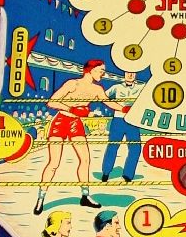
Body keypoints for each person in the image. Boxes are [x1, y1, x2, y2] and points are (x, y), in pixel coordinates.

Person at [33, 60, 124, 214]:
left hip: (75, 124)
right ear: (91, 70)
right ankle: (41, 198)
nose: (103, 74)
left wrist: (125, 109)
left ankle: (85, 196)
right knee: (54, 163)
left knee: (85, 159)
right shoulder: (72, 84)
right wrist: (72, 109)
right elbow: (52, 102)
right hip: (61, 121)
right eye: (101, 70)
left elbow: (109, 103)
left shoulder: (97, 89)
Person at [100, 71, 144, 183]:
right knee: (113, 146)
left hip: (133, 121)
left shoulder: (141, 87)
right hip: (118, 120)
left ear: (136, 74)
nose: (130, 75)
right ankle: (106, 172)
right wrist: (117, 107)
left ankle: (128, 175)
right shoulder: (116, 87)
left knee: (135, 148)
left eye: (133, 73)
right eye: (128, 72)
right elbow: (103, 97)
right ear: (124, 74)